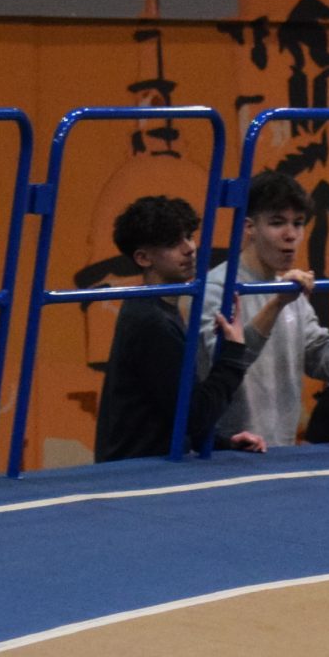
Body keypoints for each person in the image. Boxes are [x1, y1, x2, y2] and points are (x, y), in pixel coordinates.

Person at [199, 172, 329, 447]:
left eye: (298, 223)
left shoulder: (292, 292)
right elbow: (224, 364)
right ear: (250, 227)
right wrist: (277, 303)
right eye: (277, 223)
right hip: (225, 450)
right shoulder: (218, 288)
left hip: (280, 451)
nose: (291, 235)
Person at [93, 195, 274, 462]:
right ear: (143, 258)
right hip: (139, 472)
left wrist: (221, 442)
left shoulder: (151, 307)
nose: (189, 248)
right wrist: (233, 352)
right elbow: (193, 416)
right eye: (172, 242)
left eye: (189, 236)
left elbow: (170, 406)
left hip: (139, 464)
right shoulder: (152, 321)